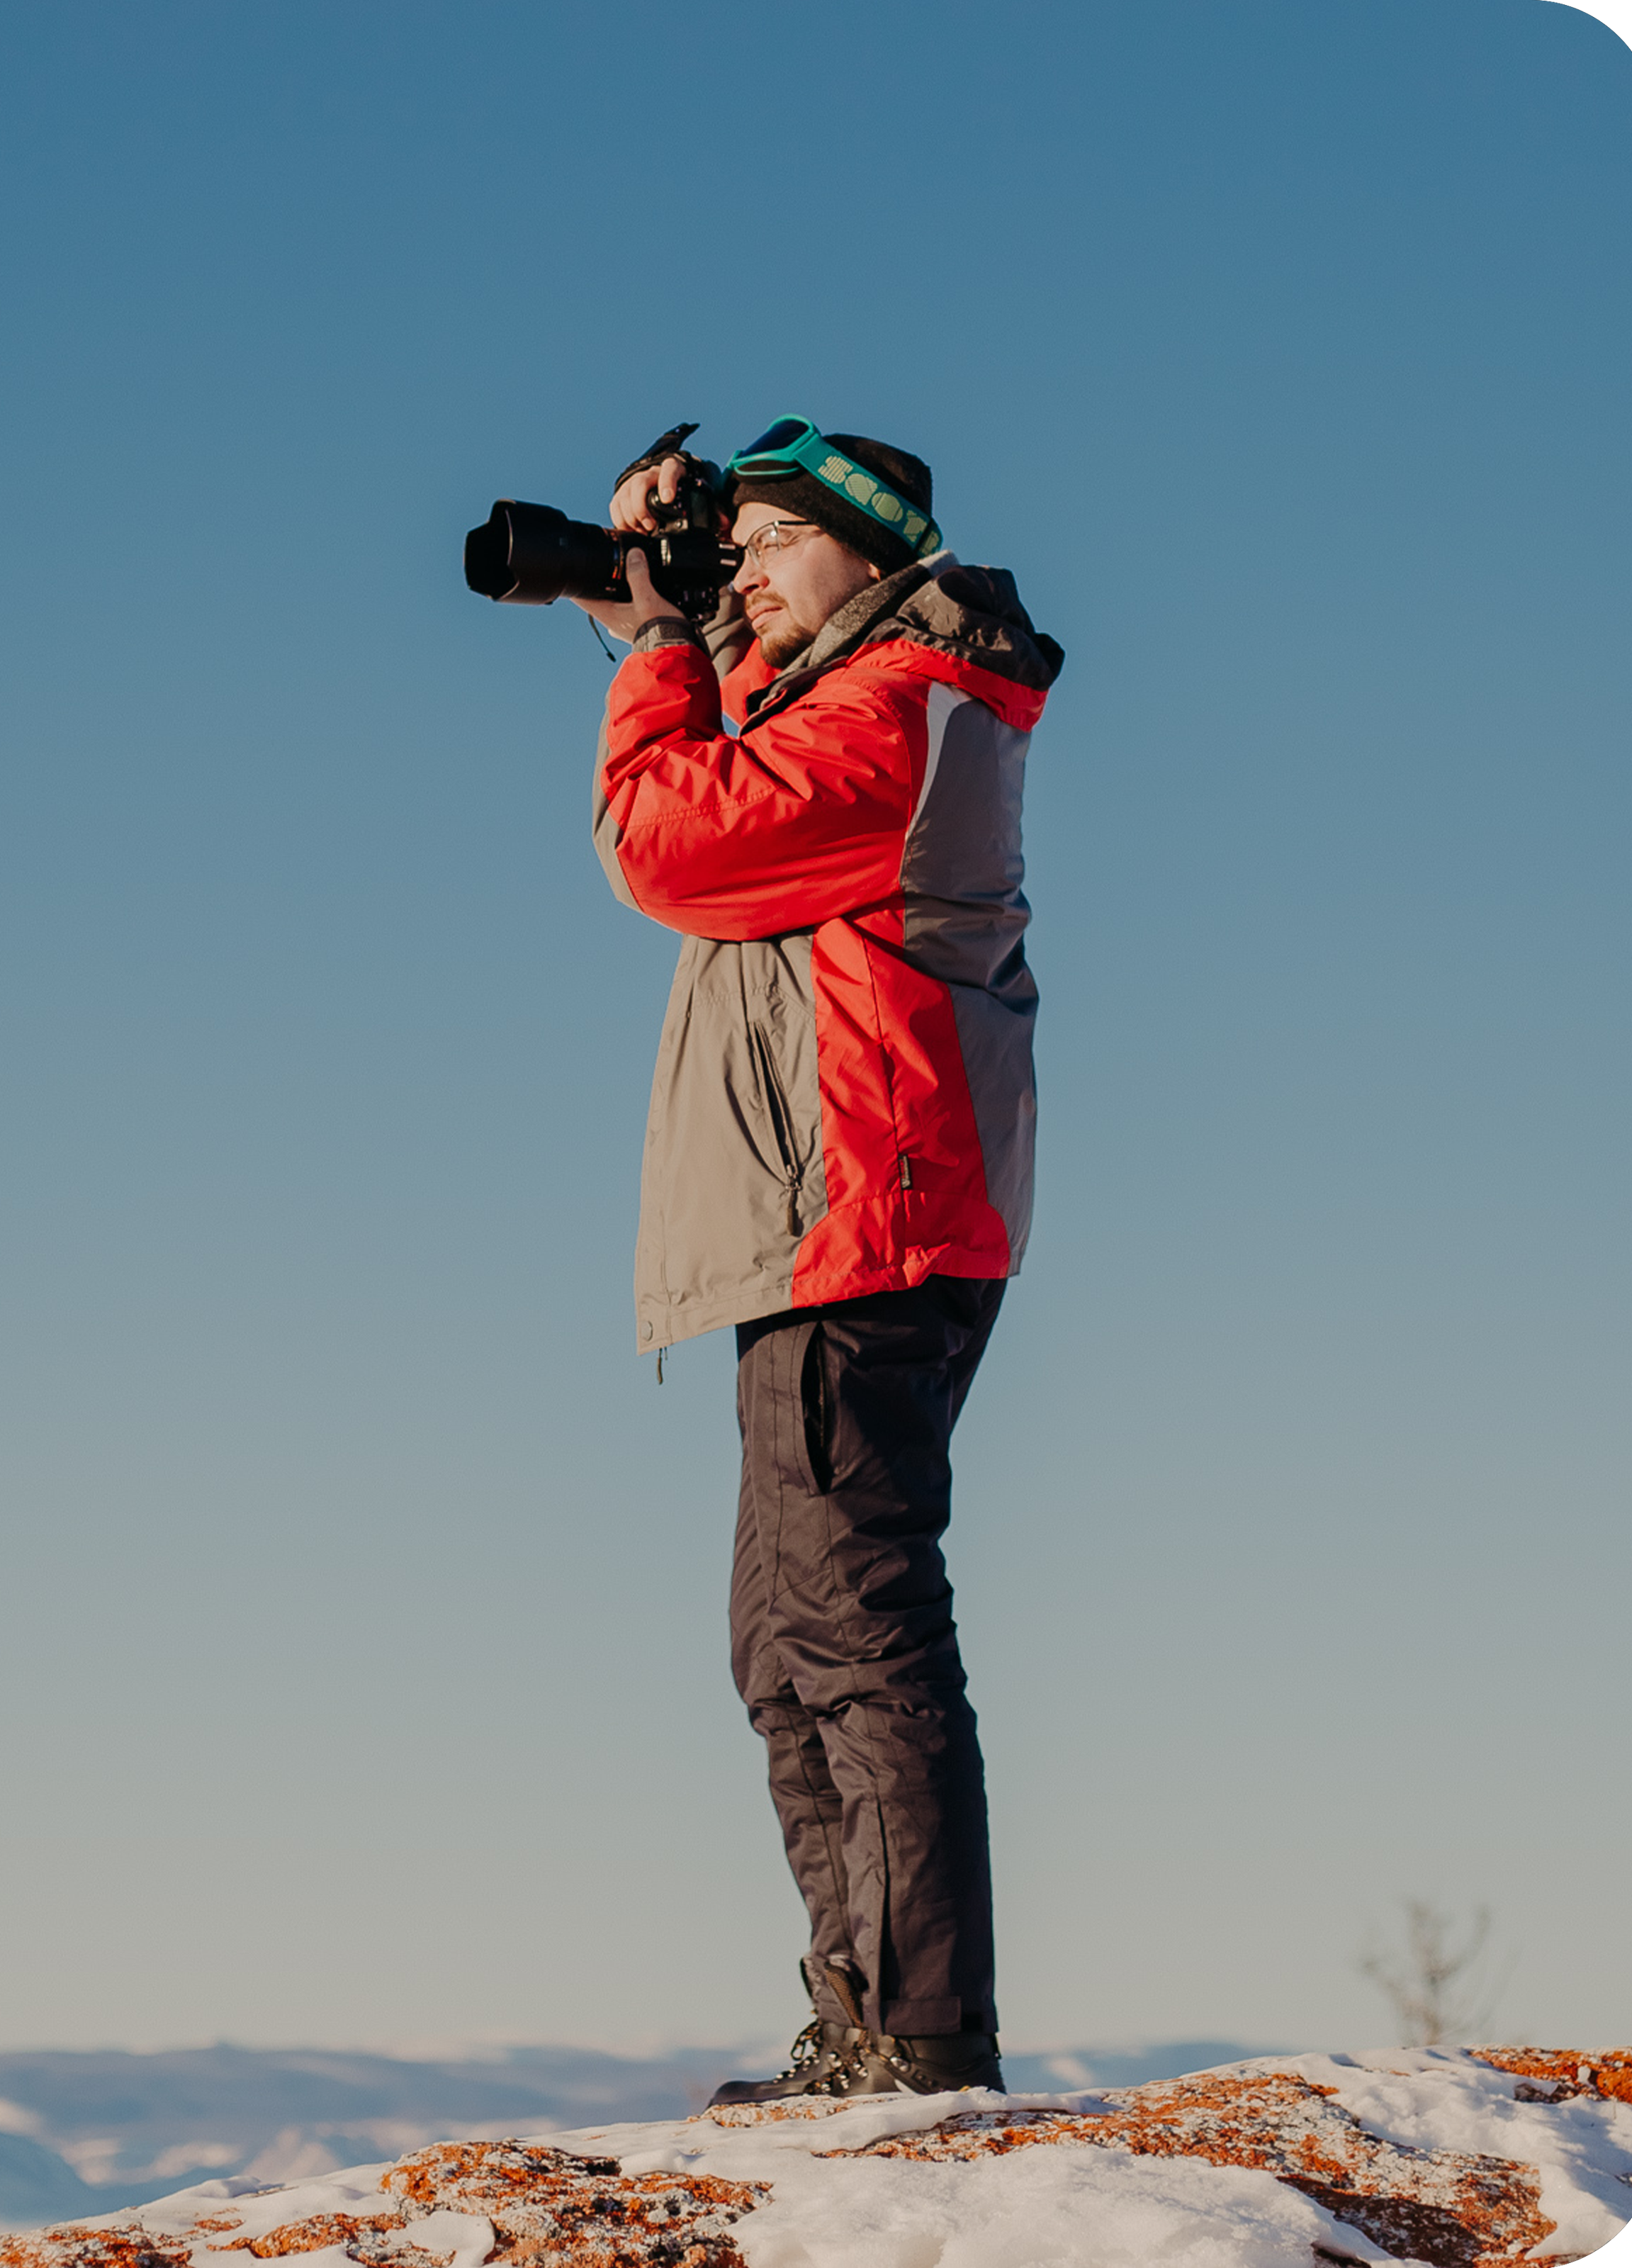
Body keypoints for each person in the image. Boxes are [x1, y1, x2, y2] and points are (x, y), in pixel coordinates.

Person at [576, 420, 1063, 2102]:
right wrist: (673, 607)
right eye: (741, 551)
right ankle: (869, 2015)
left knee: (850, 1630)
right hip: (829, 1225)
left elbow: (666, 837)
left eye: (778, 545)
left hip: (857, 1225)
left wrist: (655, 647)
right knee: (785, 1646)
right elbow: (730, 757)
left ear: (872, 556)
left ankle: (919, 2042)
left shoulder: (900, 712)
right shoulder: (860, 695)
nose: (751, 576)